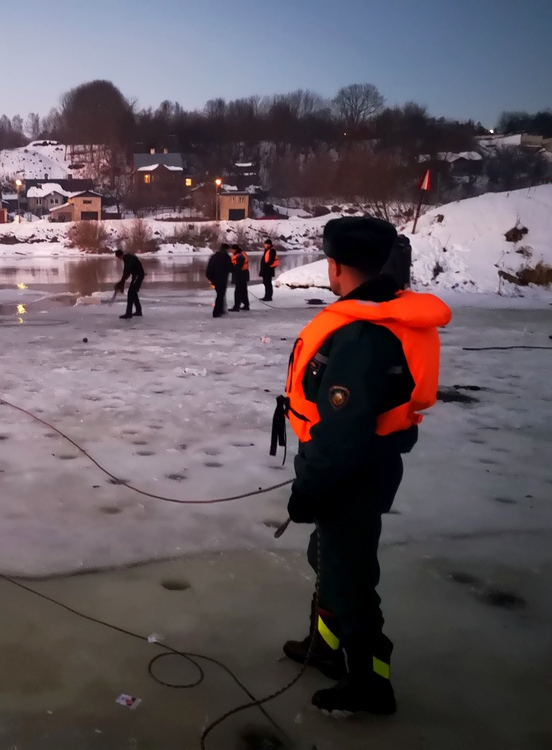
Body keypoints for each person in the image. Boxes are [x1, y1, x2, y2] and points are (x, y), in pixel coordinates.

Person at [270, 216, 452, 716]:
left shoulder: (362, 336)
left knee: (349, 579)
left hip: (351, 473)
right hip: (356, 467)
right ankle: (325, 647)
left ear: (336, 265)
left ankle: (372, 684)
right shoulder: (376, 318)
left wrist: (309, 488)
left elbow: (344, 430)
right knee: (327, 557)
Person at [114, 249, 145, 319]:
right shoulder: (127, 258)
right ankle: (138, 311)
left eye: (118, 257)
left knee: (131, 293)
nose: (119, 259)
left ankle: (129, 313)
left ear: (120, 255)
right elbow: (126, 272)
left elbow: (127, 272)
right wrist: (122, 282)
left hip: (138, 275)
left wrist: (122, 282)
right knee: (133, 293)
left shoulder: (128, 259)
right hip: (137, 275)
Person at [205, 243, 232, 317]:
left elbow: (209, 268)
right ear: (226, 249)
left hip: (214, 278)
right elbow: (230, 268)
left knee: (220, 294)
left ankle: (220, 310)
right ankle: (217, 312)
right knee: (220, 295)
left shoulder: (213, 256)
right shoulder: (226, 257)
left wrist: (210, 278)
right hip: (222, 279)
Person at [228, 244, 250, 311]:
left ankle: (236, 307)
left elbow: (237, 268)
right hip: (243, 275)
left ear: (235, 250)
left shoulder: (240, 257)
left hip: (240, 276)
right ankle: (246, 305)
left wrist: (229, 268)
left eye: (232, 250)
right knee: (243, 291)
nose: (231, 251)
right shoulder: (241, 255)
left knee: (238, 291)